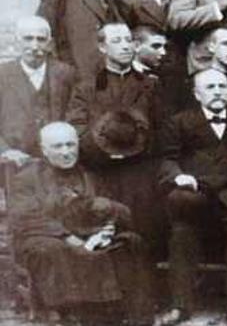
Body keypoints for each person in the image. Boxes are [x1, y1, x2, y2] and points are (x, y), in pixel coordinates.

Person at [9, 122, 154, 324]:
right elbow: (25, 218)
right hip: (48, 237)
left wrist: (106, 229)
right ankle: (70, 314)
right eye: (58, 146)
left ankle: (129, 315)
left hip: (91, 235)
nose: (66, 152)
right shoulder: (26, 178)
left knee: (131, 241)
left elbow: (117, 210)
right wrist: (68, 237)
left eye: (70, 145)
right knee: (51, 249)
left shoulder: (91, 175)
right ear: (44, 150)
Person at [155, 69, 227, 326]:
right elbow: (167, 158)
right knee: (182, 232)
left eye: (222, 87)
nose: (217, 92)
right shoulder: (179, 122)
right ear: (196, 94)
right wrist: (178, 176)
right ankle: (181, 306)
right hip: (197, 198)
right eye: (210, 87)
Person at [65, 22, 162, 248]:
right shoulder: (86, 87)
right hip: (99, 172)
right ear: (102, 47)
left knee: (139, 235)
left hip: (138, 173)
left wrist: (135, 150)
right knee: (103, 234)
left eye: (129, 40)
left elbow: (160, 128)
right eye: (117, 41)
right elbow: (77, 127)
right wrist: (104, 152)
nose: (126, 46)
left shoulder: (150, 85)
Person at [0, 17, 76, 164]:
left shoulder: (66, 74)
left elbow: (76, 116)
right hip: (13, 162)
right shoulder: (2, 75)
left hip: (57, 161)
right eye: (28, 39)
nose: (34, 46)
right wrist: (5, 150)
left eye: (41, 39)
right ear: (17, 41)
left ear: (49, 43)